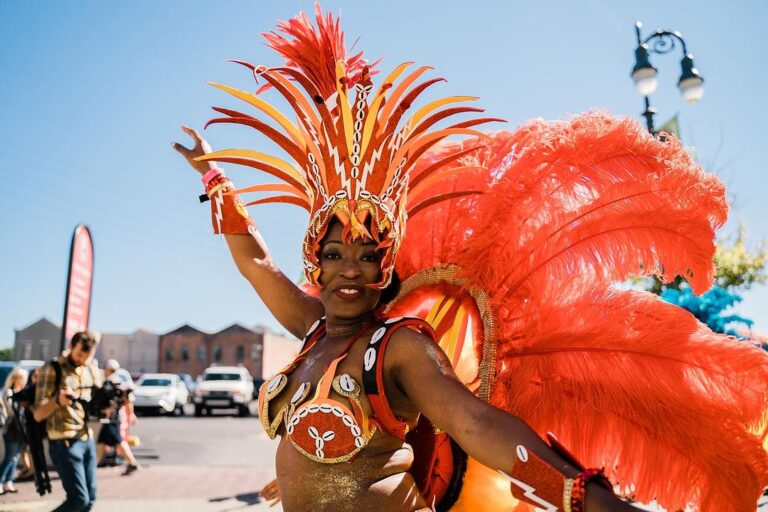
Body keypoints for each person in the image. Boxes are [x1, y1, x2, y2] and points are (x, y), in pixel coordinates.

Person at [173, 6, 768, 511]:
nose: (348, 269)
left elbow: (474, 422)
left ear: (385, 269)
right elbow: (257, 266)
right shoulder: (311, 331)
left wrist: (585, 495)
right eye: (334, 254)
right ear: (316, 262)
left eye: (364, 255)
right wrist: (215, 178)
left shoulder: (399, 346)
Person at [33, 331, 102, 512]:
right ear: (71, 347)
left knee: (90, 500)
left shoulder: (89, 369)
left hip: (86, 438)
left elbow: (95, 404)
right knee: (78, 500)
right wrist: (57, 401)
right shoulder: (53, 368)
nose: (82, 359)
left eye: (87, 356)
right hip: (64, 441)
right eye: (79, 354)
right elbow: (38, 414)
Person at [95, 359, 141, 475]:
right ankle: (94, 465)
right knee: (101, 441)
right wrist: (131, 414)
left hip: (112, 418)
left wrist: (111, 409)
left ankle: (132, 463)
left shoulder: (112, 384)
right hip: (112, 417)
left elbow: (124, 400)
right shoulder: (118, 382)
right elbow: (127, 400)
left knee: (118, 440)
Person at [0, 367, 28, 494]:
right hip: (11, 428)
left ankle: (8, 482)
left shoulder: (21, 393)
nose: (22, 382)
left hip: (21, 429)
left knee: (15, 457)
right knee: (9, 456)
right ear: (14, 379)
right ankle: (0, 481)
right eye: (20, 379)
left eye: (23, 379)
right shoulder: (9, 393)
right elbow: (10, 413)